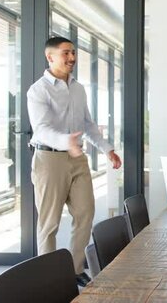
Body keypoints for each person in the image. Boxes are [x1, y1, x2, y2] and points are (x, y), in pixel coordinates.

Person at [27, 36, 122, 287]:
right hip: (49, 158)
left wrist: (107, 149)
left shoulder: (78, 88)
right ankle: (49, 278)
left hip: (77, 159)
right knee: (49, 223)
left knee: (85, 213)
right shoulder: (38, 90)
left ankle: (75, 268)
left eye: (73, 53)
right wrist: (65, 140)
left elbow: (88, 125)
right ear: (51, 57)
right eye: (66, 53)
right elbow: (41, 129)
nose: (72, 58)